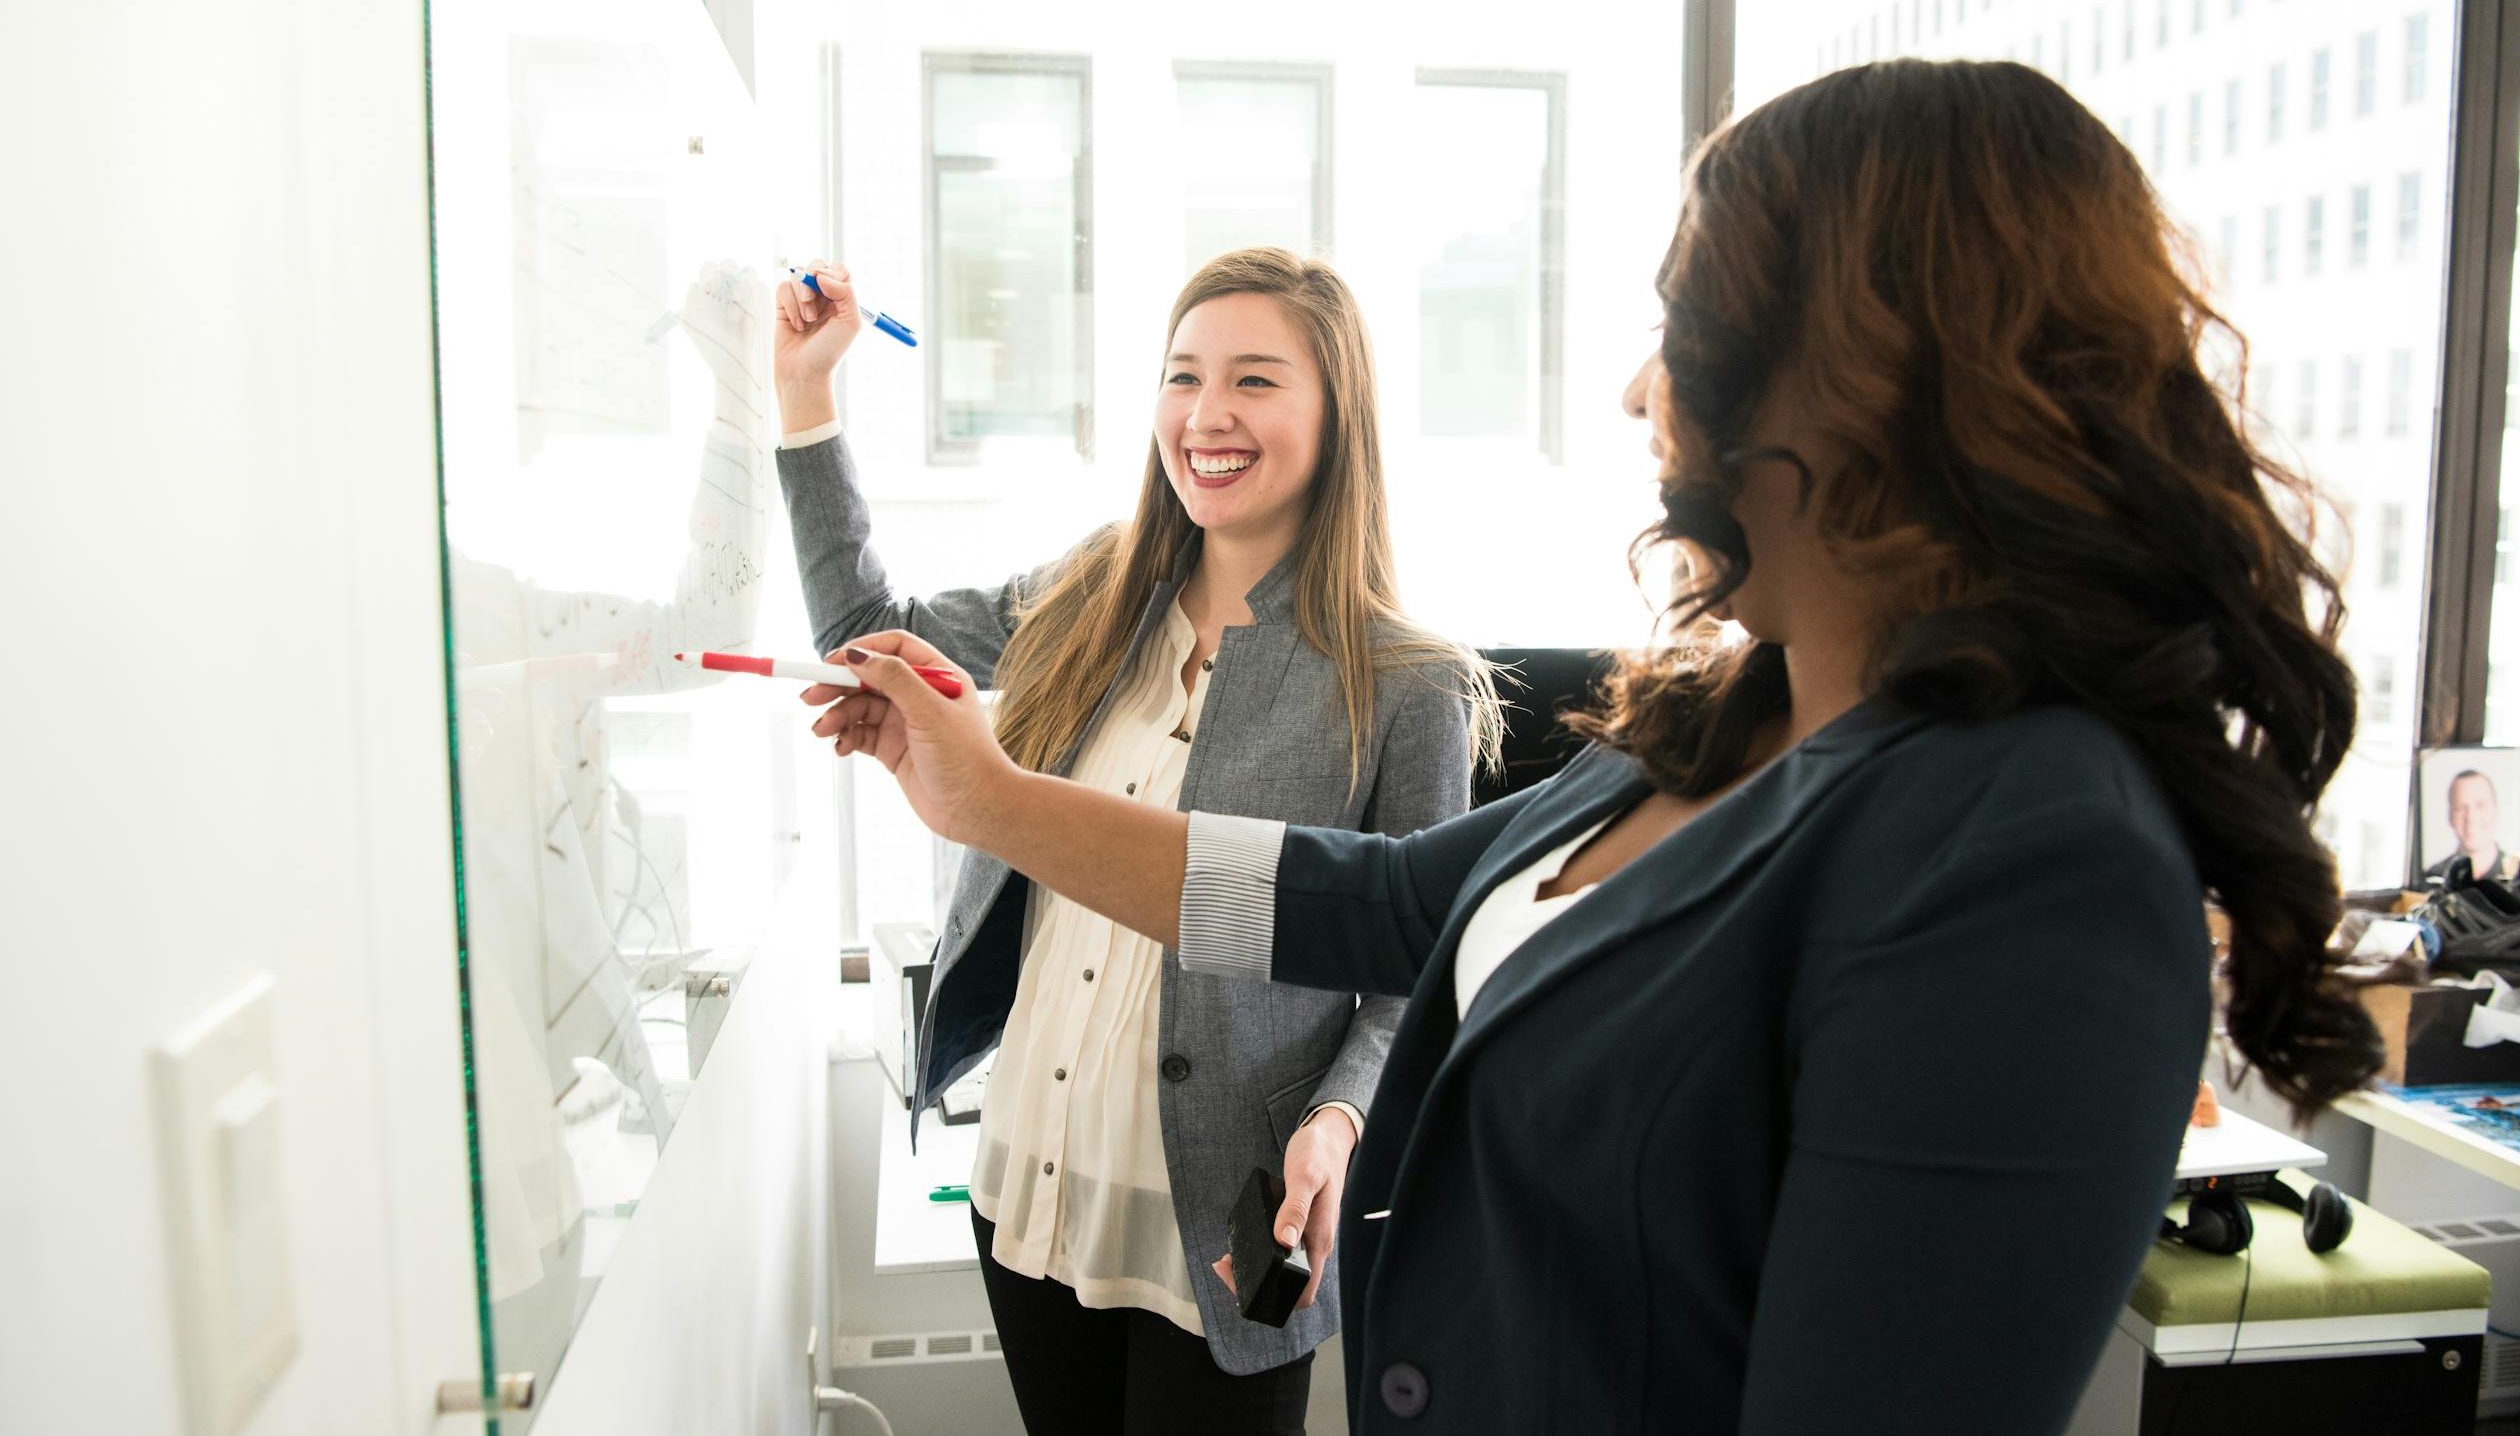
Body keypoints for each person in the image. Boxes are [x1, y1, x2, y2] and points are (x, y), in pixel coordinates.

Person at [803, 60, 2383, 1434]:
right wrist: (993, 801)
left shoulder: (2031, 853)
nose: (1639, 390)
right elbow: (1372, 901)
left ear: (1872, 372)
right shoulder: (1720, 721)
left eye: (1683, 329)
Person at [772, 247, 1496, 1434]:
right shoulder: (1092, 589)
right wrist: (808, 396)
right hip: (1032, 1179)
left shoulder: (1408, 683)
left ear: (1337, 412)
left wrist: (1342, 1115)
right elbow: (870, 633)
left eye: (1255, 380)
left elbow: (1419, 965)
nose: (1207, 414)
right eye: (1182, 375)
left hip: (1225, 1221)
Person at [2426, 769, 2520, 882]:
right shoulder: (2430, 877)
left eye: (2480, 805)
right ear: (2449, 816)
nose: (2470, 817)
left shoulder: (2516, 874)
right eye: (2460, 808)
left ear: (2496, 811)